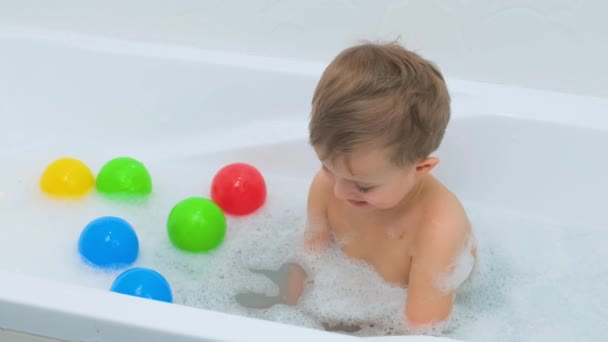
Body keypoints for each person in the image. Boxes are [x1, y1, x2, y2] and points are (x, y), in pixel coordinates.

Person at [286, 41, 477, 332]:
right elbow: (308, 261)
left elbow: (421, 330)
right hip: (350, 305)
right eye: (327, 168)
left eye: (363, 187)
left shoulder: (439, 230)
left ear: (421, 168)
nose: (338, 191)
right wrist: (288, 317)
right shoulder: (326, 186)